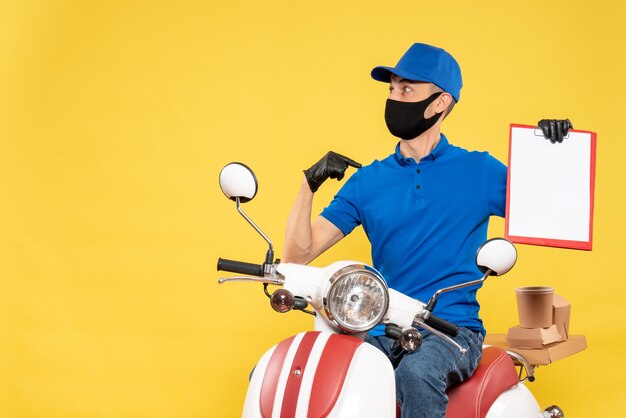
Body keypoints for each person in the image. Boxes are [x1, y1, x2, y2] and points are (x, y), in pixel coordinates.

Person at [283, 42, 571, 418]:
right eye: (391, 90)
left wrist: (556, 152)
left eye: (406, 90)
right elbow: (298, 256)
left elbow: (553, 214)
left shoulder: (479, 172)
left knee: (417, 375)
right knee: (308, 368)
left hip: (451, 332)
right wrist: (308, 186)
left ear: (440, 103)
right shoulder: (368, 182)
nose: (394, 98)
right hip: (380, 328)